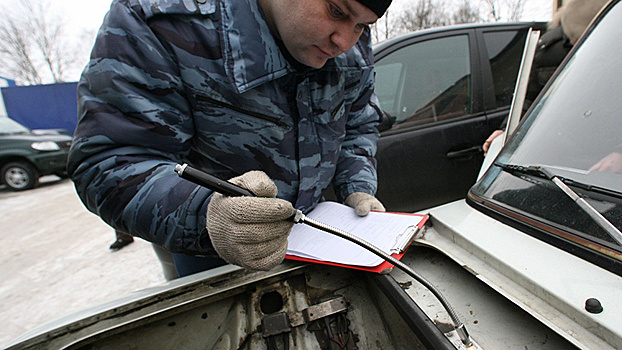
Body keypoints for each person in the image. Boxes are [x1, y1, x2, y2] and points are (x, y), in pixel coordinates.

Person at [68, 0, 390, 278]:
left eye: (362, 26)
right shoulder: (160, 22)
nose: (344, 42)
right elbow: (110, 161)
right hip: (212, 258)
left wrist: (358, 186)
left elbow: (358, 124)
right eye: (336, 10)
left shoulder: (351, 46)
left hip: (315, 248)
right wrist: (206, 216)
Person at [483, 0, 609, 155]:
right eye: (575, 42)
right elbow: (530, 99)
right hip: (559, 150)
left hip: (604, 155)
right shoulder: (548, 50)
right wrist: (507, 133)